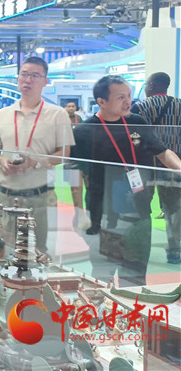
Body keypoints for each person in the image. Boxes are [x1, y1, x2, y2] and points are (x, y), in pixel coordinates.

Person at [72, 76, 181, 283]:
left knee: (135, 278)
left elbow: (163, 152)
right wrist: (78, 211)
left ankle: (131, 304)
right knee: (102, 277)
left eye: (129, 96)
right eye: (121, 97)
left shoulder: (137, 122)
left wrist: (179, 168)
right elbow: (74, 172)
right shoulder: (85, 131)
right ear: (101, 101)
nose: (128, 101)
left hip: (139, 212)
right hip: (104, 215)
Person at [0, 57, 74, 255]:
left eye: (35, 75)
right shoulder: (3, 114)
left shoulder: (57, 114)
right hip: (6, 194)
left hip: (40, 196)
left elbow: (64, 154)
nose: (28, 80)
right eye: (24, 74)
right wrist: (2, 161)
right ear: (18, 78)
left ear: (45, 81)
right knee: (2, 250)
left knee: (39, 252)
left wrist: (36, 162)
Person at [127, 73, 181, 265]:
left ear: (151, 86)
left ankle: (140, 251)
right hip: (173, 168)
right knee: (174, 211)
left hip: (145, 167)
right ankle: (175, 252)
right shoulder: (179, 105)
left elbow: (133, 137)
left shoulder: (140, 107)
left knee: (141, 209)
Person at [65, 101, 87, 225]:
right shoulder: (63, 120)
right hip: (69, 157)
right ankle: (78, 214)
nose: (70, 108)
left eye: (72, 106)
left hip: (81, 155)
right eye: (68, 106)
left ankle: (84, 214)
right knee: (74, 188)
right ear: (65, 108)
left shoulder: (79, 119)